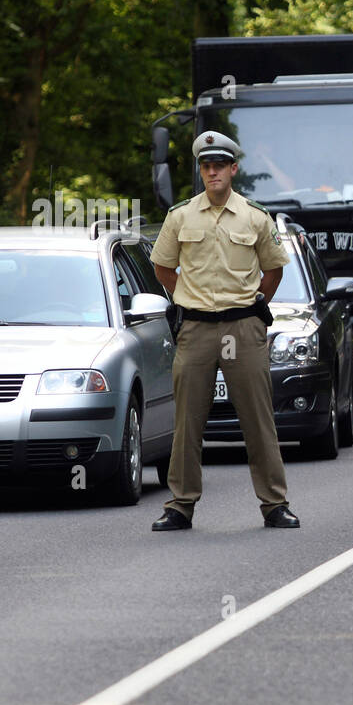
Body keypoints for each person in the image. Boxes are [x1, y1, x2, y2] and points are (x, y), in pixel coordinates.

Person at [149, 131, 300, 531]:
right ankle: (180, 505)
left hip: (243, 326)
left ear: (233, 169)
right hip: (196, 328)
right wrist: (186, 294)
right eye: (206, 165)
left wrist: (253, 307)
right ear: (201, 170)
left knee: (257, 418)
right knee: (187, 422)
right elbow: (163, 267)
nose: (212, 171)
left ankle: (274, 504)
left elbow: (273, 270)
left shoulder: (255, 216)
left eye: (219, 165)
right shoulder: (180, 216)